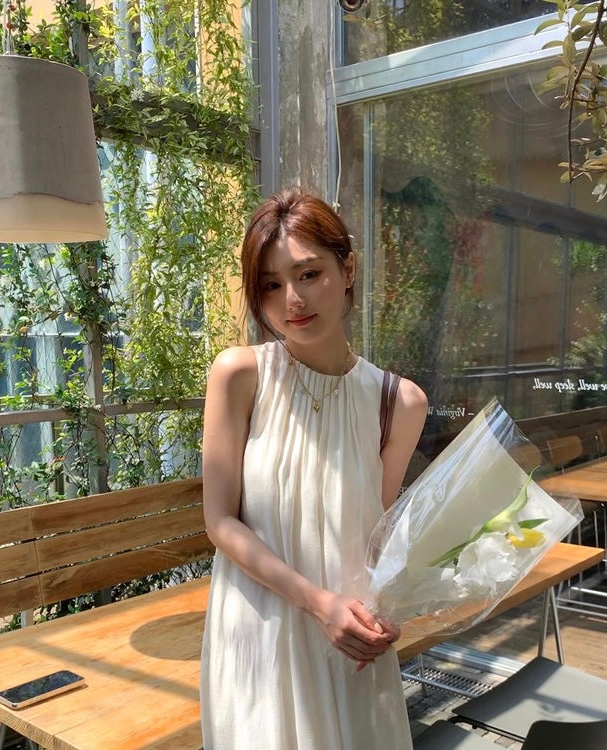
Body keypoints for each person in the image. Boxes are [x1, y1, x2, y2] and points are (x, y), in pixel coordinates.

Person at [200, 187, 428, 749]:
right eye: (271, 285)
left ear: (347, 270)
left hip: (346, 637)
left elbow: (376, 536)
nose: (292, 300)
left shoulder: (398, 402)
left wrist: (388, 609)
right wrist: (317, 602)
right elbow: (220, 522)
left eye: (309, 274)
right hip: (259, 629)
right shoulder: (240, 375)